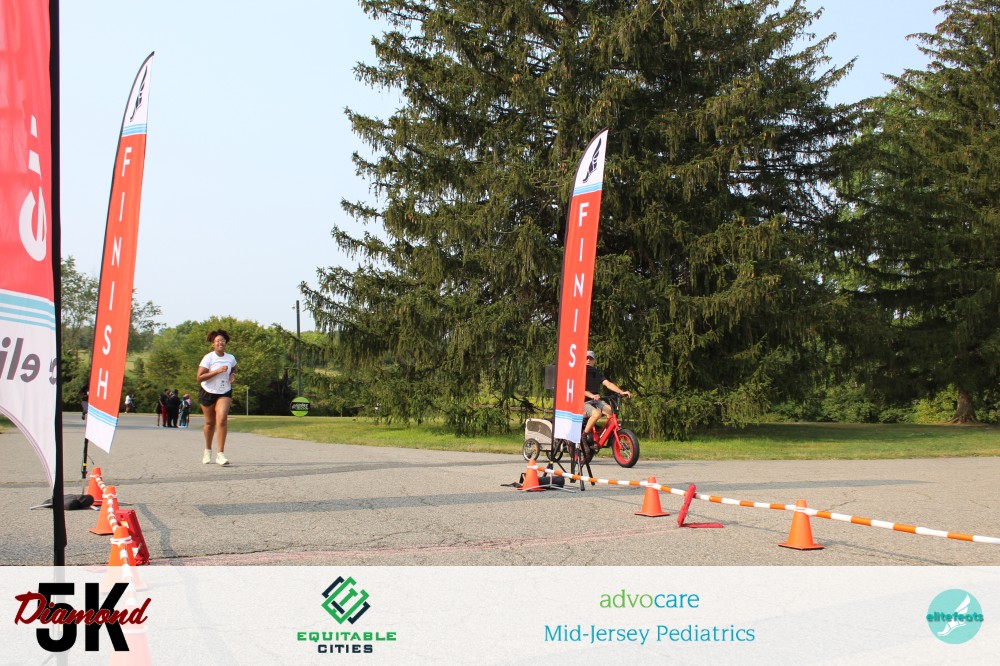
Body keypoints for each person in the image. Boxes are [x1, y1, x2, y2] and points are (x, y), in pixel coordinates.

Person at [197, 329, 237, 465]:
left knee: (222, 419)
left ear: (226, 342)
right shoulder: (209, 358)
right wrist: (217, 371)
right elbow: (199, 377)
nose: (220, 343)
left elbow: (234, 368)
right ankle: (208, 450)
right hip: (207, 391)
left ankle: (220, 454)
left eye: (223, 340)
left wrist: (232, 375)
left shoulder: (230, 358)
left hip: (224, 391)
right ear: (213, 343)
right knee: (210, 423)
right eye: (217, 341)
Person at [582, 349, 632, 443]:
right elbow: (580, 389)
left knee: (610, 411)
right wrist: (592, 395)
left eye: (591, 358)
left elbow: (608, 384)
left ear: (594, 361)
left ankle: (608, 436)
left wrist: (621, 392)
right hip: (583, 402)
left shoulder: (597, 373)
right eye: (586, 358)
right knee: (597, 414)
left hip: (596, 401)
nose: (588, 360)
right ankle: (584, 436)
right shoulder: (580, 373)